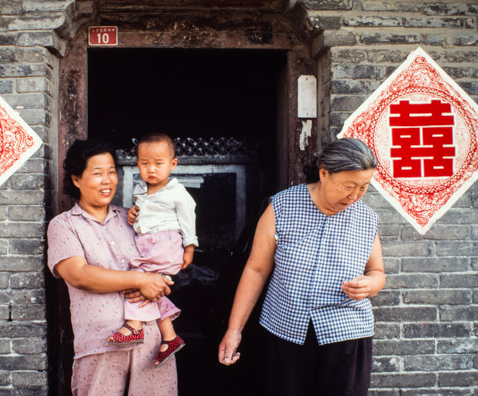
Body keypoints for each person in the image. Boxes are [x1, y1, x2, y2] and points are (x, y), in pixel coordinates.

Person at [218, 137, 385, 396]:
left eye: (363, 187)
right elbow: (256, 269)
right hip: (285, 331)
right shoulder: (282, 206)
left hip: (346, 335)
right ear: (324, 173)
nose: (354, 196)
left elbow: (377, 272)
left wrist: (371, 284)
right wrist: (234, 329)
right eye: (348, 186)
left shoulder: (366, 218)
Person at [47, 138, 180, 396]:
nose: (108, 180)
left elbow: (162, 256)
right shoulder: (64, 225)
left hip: (152, 344)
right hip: (101, 346)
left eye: (111, 172)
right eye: (97, 173)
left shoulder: (133, 218)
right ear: (77, 180)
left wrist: (160, 280)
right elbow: (80, 275)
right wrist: (140, 280)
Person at [108, 133, 198, 368]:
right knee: (150, 288)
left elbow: (188, 219)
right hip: (148, 244)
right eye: (144, 163)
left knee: (140, 280)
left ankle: (134, 325)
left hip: (165, 244)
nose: (151, 169)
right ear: (137, 163)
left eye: (158, 164)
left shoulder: (177, 192)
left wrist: (189, 247)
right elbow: (141, 216)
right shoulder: (140, 188)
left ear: (172, 164)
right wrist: (131, 216)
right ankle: (169, 337)